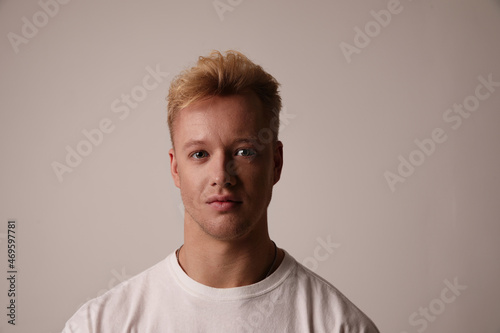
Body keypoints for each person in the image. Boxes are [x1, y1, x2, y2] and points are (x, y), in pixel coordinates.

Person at [62, 50, 380, 333]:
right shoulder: (98, 325)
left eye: (244, 152)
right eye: (200, 154)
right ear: (175, 168)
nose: (221, 176)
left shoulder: (341, 326)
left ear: (276, 163)